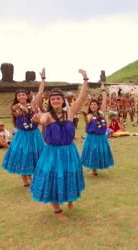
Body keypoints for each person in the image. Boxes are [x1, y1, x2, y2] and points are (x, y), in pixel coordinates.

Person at [30, 69, 88, 221]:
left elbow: (81, 98)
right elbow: (41, 120)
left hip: (69, 151)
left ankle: (69, 198)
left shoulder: (69, 113)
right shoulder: (48, 116)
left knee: (69, 175)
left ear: (63, 100)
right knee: (53, 179)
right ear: (49, 101)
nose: (55, 101)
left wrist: (85, 79)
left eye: (58, 99)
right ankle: (57, 211)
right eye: (52, 99)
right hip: (53, 152)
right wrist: (37, 119)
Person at [1, 68, 46, 191]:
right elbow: (15, 113)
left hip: (35, 134)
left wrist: (42, 79)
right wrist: (14, 110)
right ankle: (26, 183)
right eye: (19, 95)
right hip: (23, 136)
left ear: (27, 96)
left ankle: (33, 179)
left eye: (23, 95)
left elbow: (40, 92)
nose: (21, 97)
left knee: (36, 156)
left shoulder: (33, 105)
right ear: (17, 98)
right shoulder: (16, 108)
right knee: (23, 157)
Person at [81, 81, 114, 178]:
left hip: (102, 138)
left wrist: (103, 90)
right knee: (94, 153)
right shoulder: (90, 115)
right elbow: (87, 121)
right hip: (93, 138)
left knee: (100, 153)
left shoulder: (101, 113)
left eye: (95, 105)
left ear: (98, 106)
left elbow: (104, 100)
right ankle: (94, 172)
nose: (93, 106)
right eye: (91, 105)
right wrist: (84, 116)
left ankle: (97, 168)